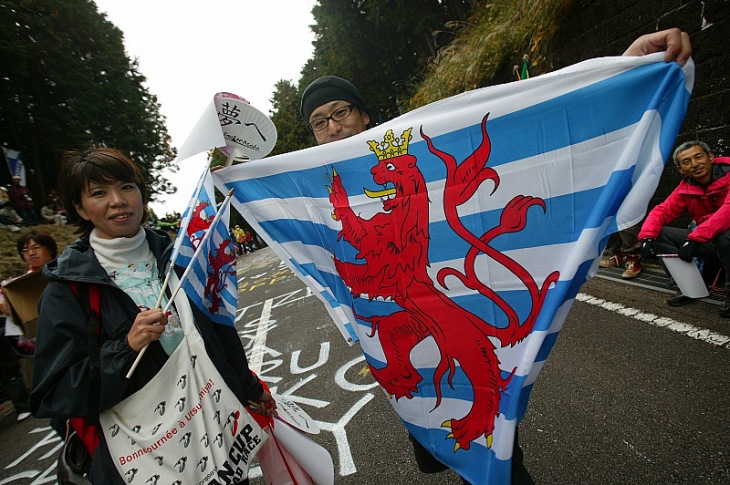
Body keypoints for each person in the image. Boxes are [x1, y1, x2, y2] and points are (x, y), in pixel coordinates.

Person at [301, 28, 691, 484]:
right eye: (319, 122)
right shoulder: (305, 191)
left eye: (340, 112)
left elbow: (522, 122)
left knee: (493, 446)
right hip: (403, 314)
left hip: (439, 300)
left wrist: (626, 69)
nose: (332, 126)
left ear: (363, 114)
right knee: (432, 422)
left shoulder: (410, 142)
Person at [29, 147, 276, 484]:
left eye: (127, 187)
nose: (118, 200)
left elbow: (217, 329)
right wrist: (125, 347)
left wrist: (248, 386)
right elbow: (54, 393)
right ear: (79, 208)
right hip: (147, 457)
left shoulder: (179, 254)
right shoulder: (67, 289)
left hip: (219, 431)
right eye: (99, 193)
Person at [639, 141, 730, 314]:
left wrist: (695, 239)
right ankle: (690, 287)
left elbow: (728, 211)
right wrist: (647, 237)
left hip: (722, 237)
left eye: (698, 157)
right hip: (710, 239)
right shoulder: (685, 188)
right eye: (687, 162)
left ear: (710, 157)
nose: (695, 164)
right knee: (660, 234)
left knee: (726, 236)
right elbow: (662, 211)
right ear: (680, 169)